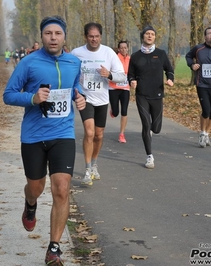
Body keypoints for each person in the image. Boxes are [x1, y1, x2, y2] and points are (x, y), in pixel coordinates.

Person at [3, 15, 86, 265]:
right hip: (34, 136)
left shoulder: (74, 62)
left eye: (57, 33)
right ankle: (30, 203)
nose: (53, 37)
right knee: (36, 187)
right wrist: (32, 98)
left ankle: (54, 249)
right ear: (42, 37)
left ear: (64, 37)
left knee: (61, 188)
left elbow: (75, 89)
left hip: (62, 134)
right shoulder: (29, 63)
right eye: (48, 33)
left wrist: (79, 98)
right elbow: (8, 95)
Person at [71, 22, 126, 185]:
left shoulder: (108, 53)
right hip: (84, 97)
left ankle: (94, 164)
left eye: (96, 36)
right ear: (85, 37)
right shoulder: (77, 53)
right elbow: (70, 73)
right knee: (89, 133)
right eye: (90, 36)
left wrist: (109, 75)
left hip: (102, 99)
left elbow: (122, 76)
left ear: (101, 36)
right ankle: (87, 170)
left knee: (99, 134)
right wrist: (74, 91)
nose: (94, 39)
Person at [127, 26, 174, 169]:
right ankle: (149, 156)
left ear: (155, 38)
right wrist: (132, 81)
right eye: (147, 34)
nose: (150, 36)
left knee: (156, 128)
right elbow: (130, 74)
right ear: (143, 36)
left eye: (152, 34)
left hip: (157, 94)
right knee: (146, 125)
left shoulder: (161, 54)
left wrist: (170, 79)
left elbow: (169, 70)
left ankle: (152, 132)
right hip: (142, 95)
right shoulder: (135, 56)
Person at [185, 26, 211, 148]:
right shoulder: (198, 49)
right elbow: (188, 57)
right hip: (201, 84)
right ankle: (202, 134)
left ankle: (207, 134)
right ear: (205, 36)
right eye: (209, 33)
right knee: (206, 110)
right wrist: (192, 65)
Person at [109, 40, 131, 143]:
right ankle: (113, 111)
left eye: (125, 47)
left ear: (127, 48)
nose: (123, 49)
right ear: (118, 49)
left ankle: (122, 134)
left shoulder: (130, 59)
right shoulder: (114, 58)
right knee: (116, 112)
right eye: (121, 48)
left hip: (125, 88)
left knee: (124, 111)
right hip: (114, 87)